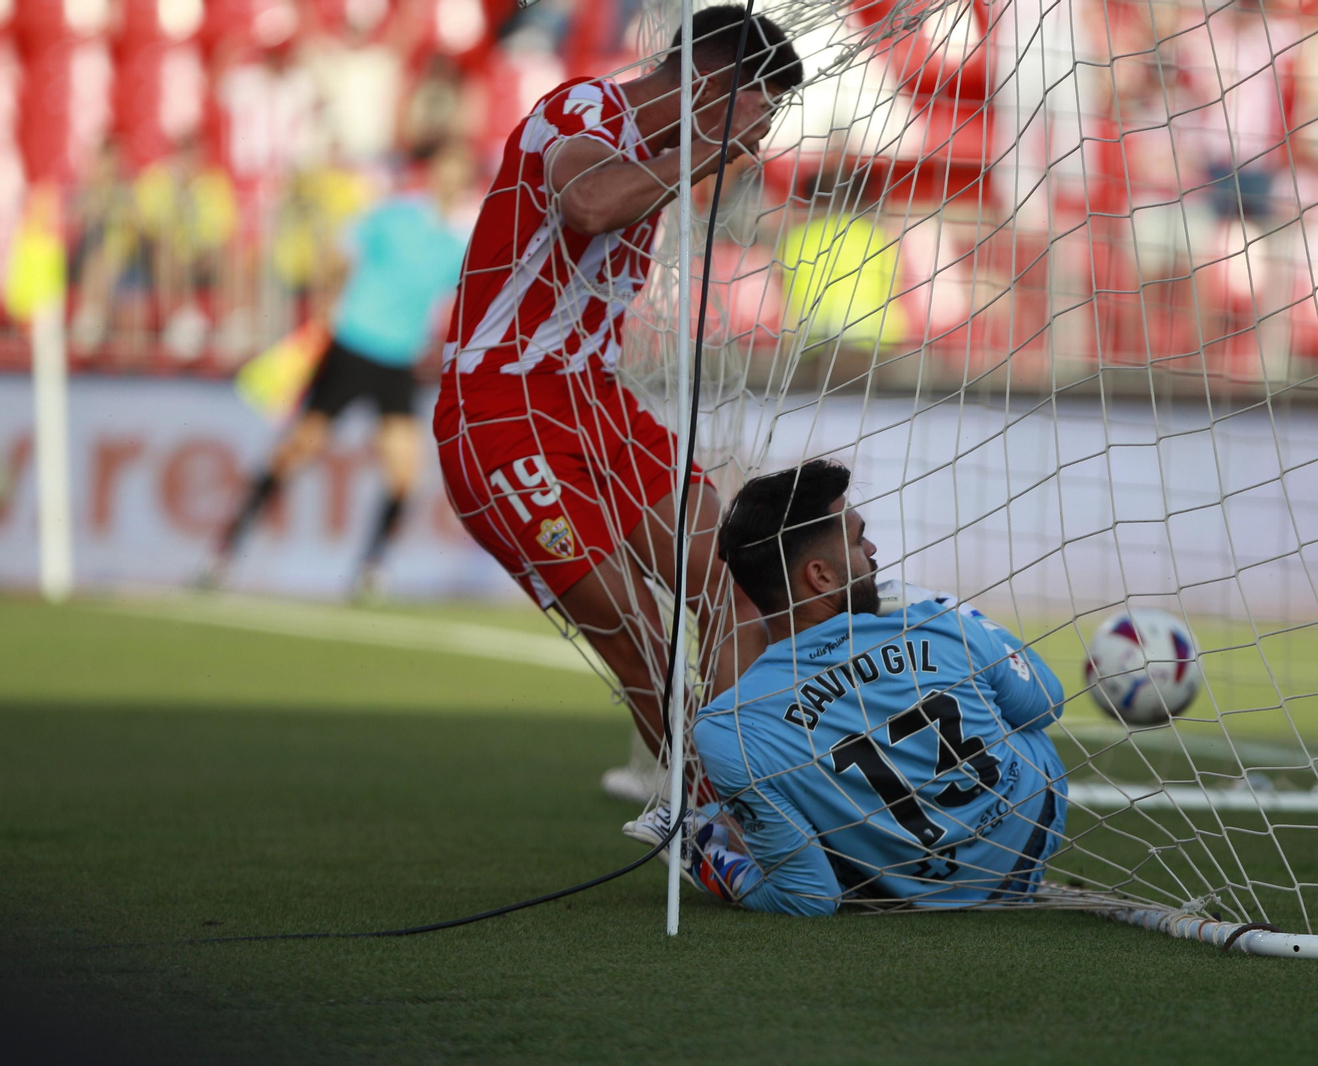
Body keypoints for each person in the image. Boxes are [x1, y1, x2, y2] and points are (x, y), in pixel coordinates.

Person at [433, 8, 804, 791]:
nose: (756, 141)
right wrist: (707, 144)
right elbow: (587, 205)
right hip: (502, 414)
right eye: (758, 112)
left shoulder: (667, 148)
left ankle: (753, 803)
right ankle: (708, 815)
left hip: (599, 404)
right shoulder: (580, 110)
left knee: (736, 591)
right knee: (642, 642)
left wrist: (699, 145)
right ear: (714, 82)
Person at [630, 460, 1068, 915]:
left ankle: (703, 840)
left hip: (918, 898)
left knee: (797, 806)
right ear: (819, 576)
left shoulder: (727, 727)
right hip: (1034, 835)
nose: (873, 549)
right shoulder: (934, 621)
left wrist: (708, 863)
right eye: (859, 540)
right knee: (1016, 718)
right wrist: (961, 611)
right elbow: (1045, 703)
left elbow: (809, 897)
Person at [204, 141, 473, 595]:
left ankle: (371, 569)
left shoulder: (458, 241)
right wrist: (330, 300)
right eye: (446, 169)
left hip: (398, 360)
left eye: (459, 171)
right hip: (353, 344)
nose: (450, 179)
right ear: (432, 174)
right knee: (297, 450)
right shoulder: (396, 216)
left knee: (405, 470)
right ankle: (226, 552)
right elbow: (341, 252)